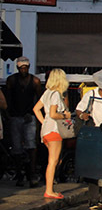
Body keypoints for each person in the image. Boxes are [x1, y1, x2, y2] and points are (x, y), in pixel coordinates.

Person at [32, 68, 71, 199]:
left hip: (46, 130)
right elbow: (54, 114)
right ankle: (49, 190)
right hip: (55, 130)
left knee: (54, 160)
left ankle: (50, 188)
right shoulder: (55, 94)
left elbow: (36, 109)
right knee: (53, 161)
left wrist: (44, 122)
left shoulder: (47, 92)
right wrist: (65, 115)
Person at [5, 56, 42, 188]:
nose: (23, 70)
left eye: (25, 67)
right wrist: (9, 114)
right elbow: (8, 99)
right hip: (15, 116)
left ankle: (31, 175)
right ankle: (20, 175)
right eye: (21, 68)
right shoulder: (11, 80)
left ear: (29, 67)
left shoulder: (35, 81)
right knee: (17, 148)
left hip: (29, 117)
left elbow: (39, 99)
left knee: (31, 146)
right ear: (17, 68)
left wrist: (35, 116)